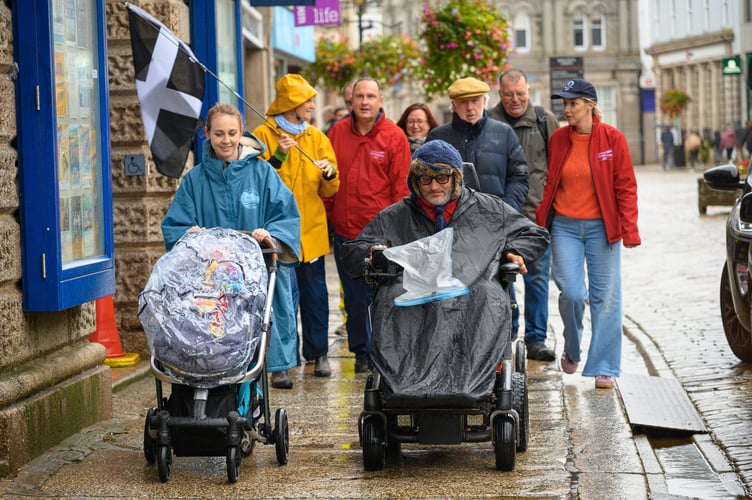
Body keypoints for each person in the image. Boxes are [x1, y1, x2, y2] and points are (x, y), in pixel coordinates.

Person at [339, 140, 549, 395]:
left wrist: (512, 251)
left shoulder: (488, 209)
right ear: (415, 181)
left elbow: (535, 234)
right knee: (390, 296)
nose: (434, 186)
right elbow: (353, 250)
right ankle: (404, 386)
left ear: (457, 177)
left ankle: (471, 383)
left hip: (472, 290)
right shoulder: (397, 215)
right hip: (414, 293)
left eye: (442, 177)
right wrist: (372, 252)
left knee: (487, 293)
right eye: (425, 179)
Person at [161, 103, 301, 389]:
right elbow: (175, 226)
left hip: (255, 276)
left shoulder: (262, 173)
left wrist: (270, 235)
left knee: (253, 338)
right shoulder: (194, 180)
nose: (226, 140)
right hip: (209, 282)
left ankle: (250, 397)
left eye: (232, 133)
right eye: (219, 133)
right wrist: (190, 235)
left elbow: (287, 216)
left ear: (242, 133)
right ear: (207, 134)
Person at [535, 78, 640, 390]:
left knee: (606, 298)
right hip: (565, 226)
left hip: (602, 229)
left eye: (573, 104)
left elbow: (626, 186)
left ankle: (604, 366)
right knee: (572, 294)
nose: (567, 109)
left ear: (590, 105)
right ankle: (572, 344)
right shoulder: (557, 139)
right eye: (565, 104)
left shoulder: (613, 139)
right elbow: (548, 183)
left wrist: (630, 229)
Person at [252, 74, 340, 380]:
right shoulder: (262, 134)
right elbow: (255, 180)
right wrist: (278, 156)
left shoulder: (317, 138)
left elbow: (330, 190)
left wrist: (330, 174)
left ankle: (320, 355)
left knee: (316, 297)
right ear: (292, 104)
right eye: (308, 101)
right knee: (282, 302)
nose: (313, 106)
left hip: (312, 234)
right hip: (278, 233)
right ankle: (282, 363)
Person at [327, 77, 412, 373]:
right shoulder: (336, 134)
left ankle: (387, 351)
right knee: (353, 299)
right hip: (346, 234)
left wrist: (395, 233)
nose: (364, 102)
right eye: (359, 96)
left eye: (370, 96)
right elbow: (328, 182)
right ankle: (362, 353)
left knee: (385, 296)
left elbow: (402, 190)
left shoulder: (394, 136)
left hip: (381, 236)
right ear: (351, 100)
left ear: (380, 100)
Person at [488, 68, 559, 362]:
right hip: (498, 218)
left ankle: (536, 339)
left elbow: (559, 164)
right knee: (502, 279)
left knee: (538, 279)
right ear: (499, 93)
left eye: (520, 93)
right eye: (508, 94)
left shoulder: (545, 121)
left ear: (528, 92)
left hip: (535, 217)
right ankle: (508, 333)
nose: (515, 99)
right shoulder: (489, 121)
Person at [426, 76, 529, 213]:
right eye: (463, 102)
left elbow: (519, 177)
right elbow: (425, 179)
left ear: (485, 101)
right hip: (450, 220)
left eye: (475, 101)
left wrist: (505, 210)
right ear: (454, 105)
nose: (470, 108)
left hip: (497, 219)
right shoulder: (438, 137)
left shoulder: (505, 133)